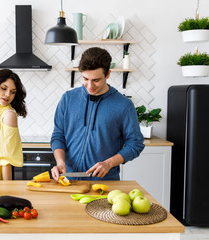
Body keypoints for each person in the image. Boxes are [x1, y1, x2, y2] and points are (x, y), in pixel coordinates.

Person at [50, 47, 144, 181]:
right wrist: (60, 162)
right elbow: (58, 135)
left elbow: (135, 144)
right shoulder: (68, 99)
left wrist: (108, 163)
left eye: (96, 80)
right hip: (68, 181)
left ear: (108, 74)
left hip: (105, 183)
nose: (89, 85)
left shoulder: (124, 106)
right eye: (85, 79)